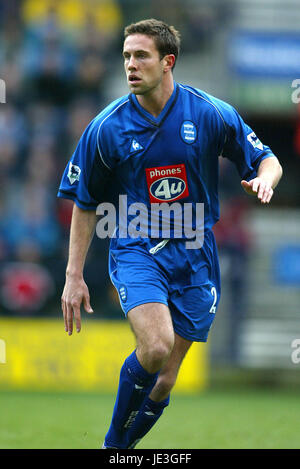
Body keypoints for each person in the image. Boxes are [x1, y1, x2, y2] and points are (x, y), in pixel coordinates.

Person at [58, 19, 283, 449]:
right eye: (126, 56)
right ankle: (112, 447)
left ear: (168, 62)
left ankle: (122, 450)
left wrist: (266, 180)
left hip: (196, 251)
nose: (130, 65)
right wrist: (74, 275)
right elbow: (85, 202)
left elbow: (266, 158)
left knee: (164, 379)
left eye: (141, 55)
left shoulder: (209, 113)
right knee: (156, 345)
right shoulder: (107, 128)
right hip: (135, 246)